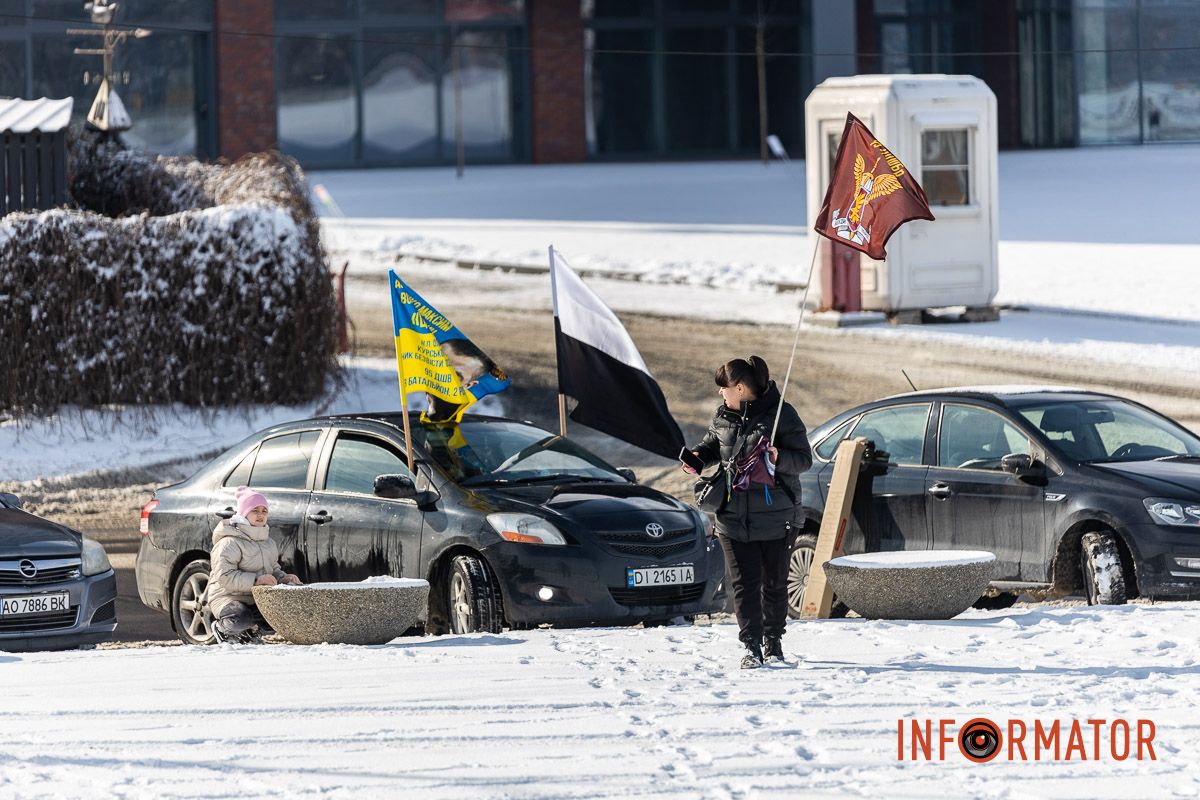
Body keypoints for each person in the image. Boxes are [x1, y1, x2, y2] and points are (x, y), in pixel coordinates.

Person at [683, 356, 812, 669]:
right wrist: (697, 458)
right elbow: (712, 446)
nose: (720, 393)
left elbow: (804, 459)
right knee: (743, 585)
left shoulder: (781, 414)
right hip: (732, 517)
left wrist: (779, 457)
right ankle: (751, 646)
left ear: (740, 388)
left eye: (724, 388)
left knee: (774, 584)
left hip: (776, 517)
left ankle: (773, 642)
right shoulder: (723, 415)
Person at [207, 486, 302, 644]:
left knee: (281, 616)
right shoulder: (229, 543)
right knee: (240, 618)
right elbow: (224, 577)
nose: (260, 515)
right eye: (255, 510)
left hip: (257, 597)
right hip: (228, 597)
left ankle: (250, 632)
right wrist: (257, 580)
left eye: (264, 511)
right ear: (244, 514)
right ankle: (222, 628)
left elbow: (274, 569)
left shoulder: (269, 543)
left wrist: (283, 578)